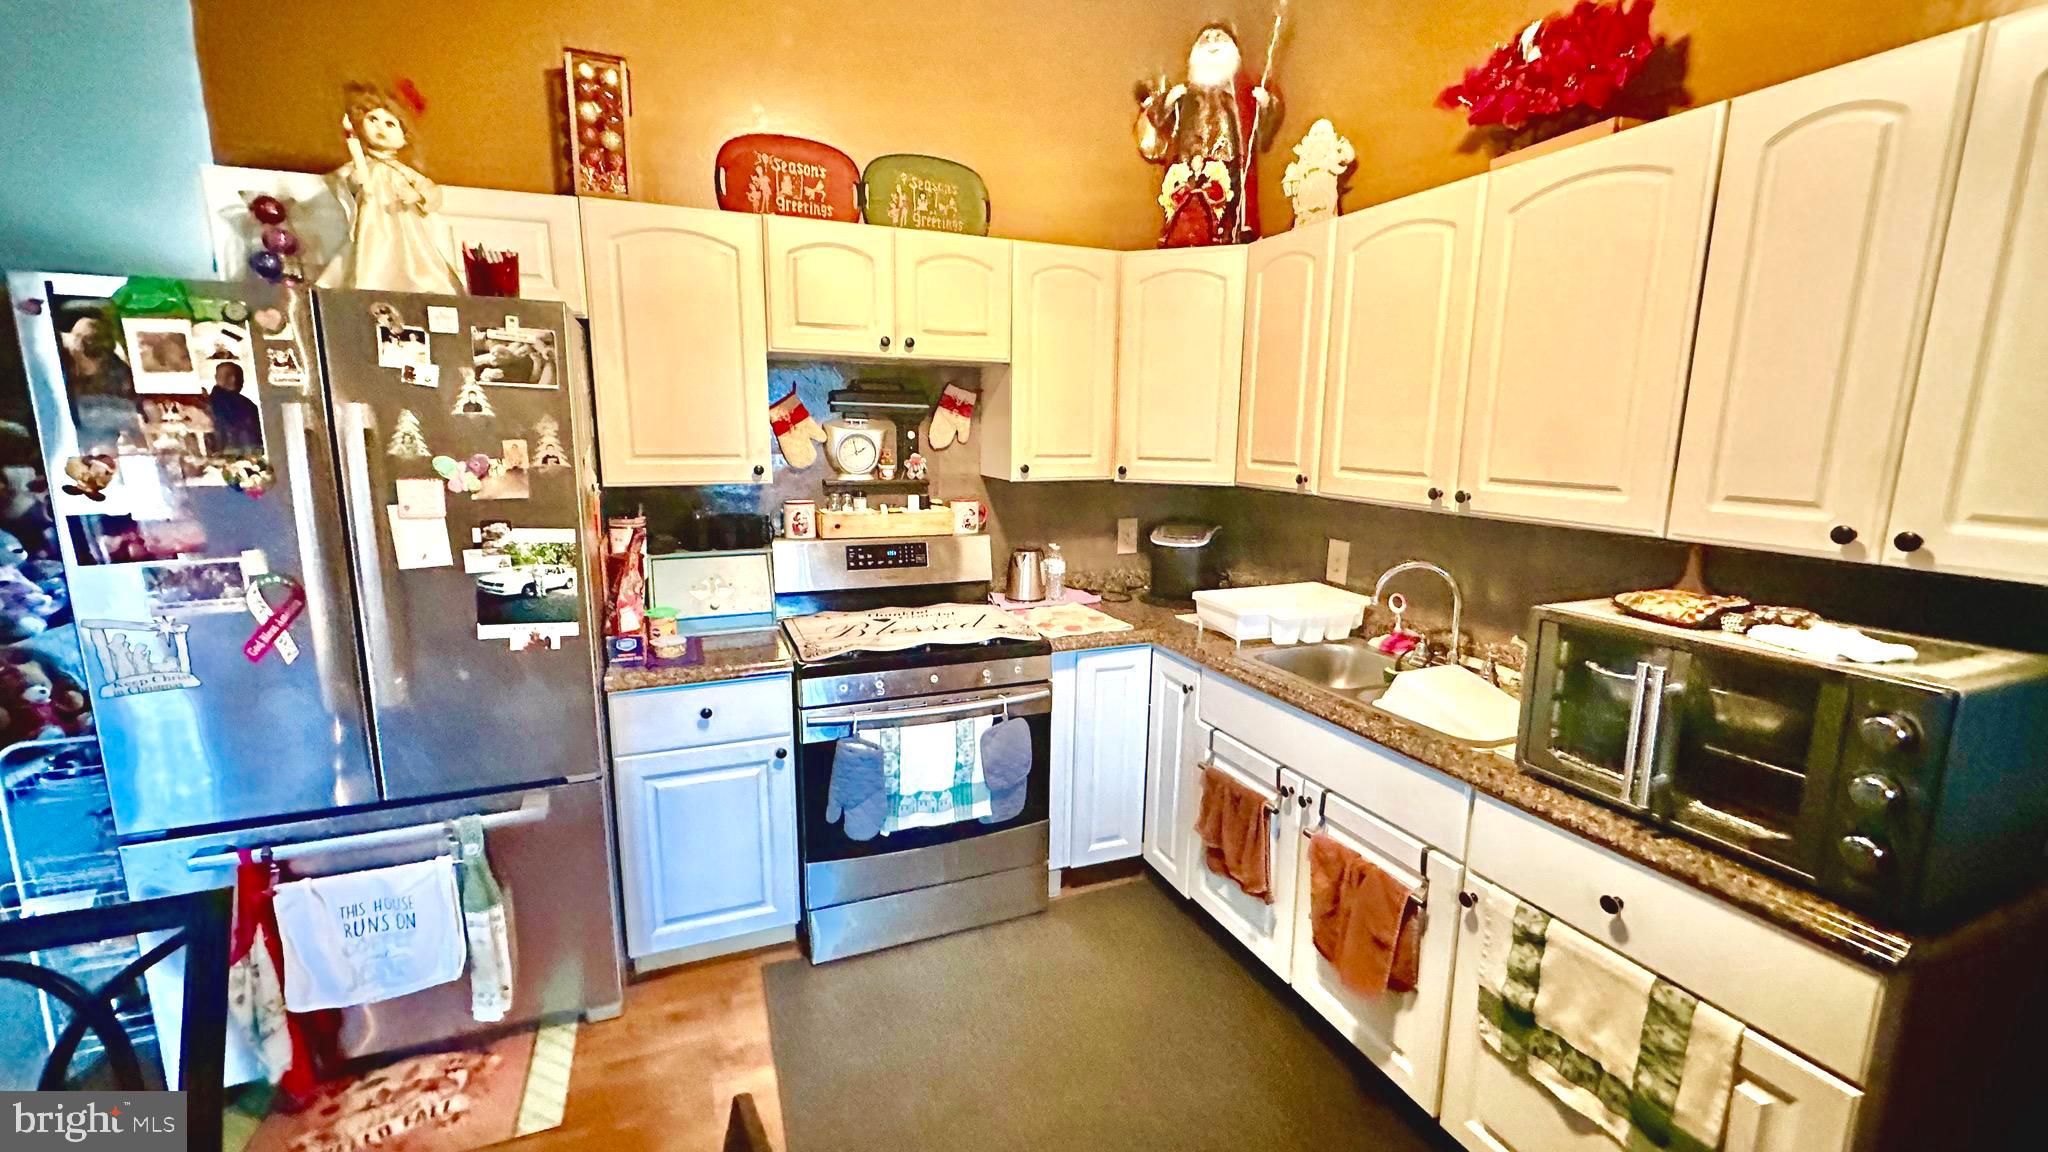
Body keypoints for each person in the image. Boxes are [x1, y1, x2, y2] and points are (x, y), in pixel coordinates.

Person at [318, 83, 463, 293]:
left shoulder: (403, 172)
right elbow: (342, 185)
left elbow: (432, 191)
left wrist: (416, 196)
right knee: (370, 256)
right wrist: (354, 183)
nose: (380, 128)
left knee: (413, 257)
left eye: (390, 124)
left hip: (405, 228)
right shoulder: (363, 167)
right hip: (372, 226)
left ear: (404, 138)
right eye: (373, 120)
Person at [208, 362, 263, 455]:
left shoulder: (246, 404)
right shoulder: (246, 405)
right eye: (228, 375)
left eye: (239, 376)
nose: (235, 379)